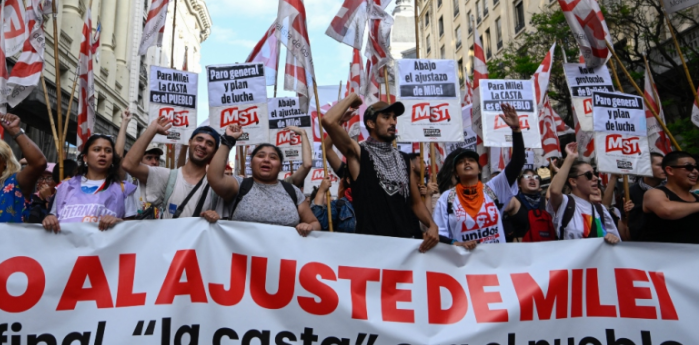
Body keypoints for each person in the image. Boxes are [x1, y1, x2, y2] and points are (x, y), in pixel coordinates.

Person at [321, 94, 439, 252]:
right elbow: (328, 121)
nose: (393, 122)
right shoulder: (359, 153)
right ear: (371, 123)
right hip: (374, 250)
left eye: (394, 118)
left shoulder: (404, 159)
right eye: (386, 117)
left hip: (406, 248)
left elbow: (415, 202)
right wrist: (352, 98)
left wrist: (432, 225)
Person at [432, 103, 524, 245]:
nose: (467, 163)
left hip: (496, 262)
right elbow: (438, 233)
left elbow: (517, 163)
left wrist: (516, 130)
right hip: (465, 263)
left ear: (479, 169)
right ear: (456, 172)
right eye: (461, 162)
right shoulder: (446, 199)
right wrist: (457, 243)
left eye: (471, 160)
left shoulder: (493, 189)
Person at [206, 124, 321, 236]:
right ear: (251, 163)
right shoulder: (240, 186)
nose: (266, 160)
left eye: (273, 157)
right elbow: (215, 178)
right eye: (260, 156)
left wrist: (309, 227)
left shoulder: (293, 191)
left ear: (280, 166)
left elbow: (314, 223)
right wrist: (228, 140)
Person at [122, 117, 221, 220]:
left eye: (209, 144)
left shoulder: (216, 187)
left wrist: (215, 218)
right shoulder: (167, 176)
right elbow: (128, 165)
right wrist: (152, 129)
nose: (203, 145)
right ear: (190, 142)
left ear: (214, 152)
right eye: (199, 140)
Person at [43, 135, 136, 232]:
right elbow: (53, 215)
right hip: (66, 245)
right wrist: (49, 218)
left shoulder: (123, 189)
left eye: (108, 151)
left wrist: (118, 222)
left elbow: (132, 227)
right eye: (97, 150)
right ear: (85, 158)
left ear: (112, 159)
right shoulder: (66, 186)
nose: (103, 154)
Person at [546, 142, 620, 244]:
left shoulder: (600, 209)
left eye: (595, 174)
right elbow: (554, 191)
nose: (595, 178)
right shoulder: (566, 203)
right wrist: (570, 157)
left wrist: (612, 238)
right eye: (588, 175)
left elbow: (617, 243)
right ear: (573, 181)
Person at [639, 151, 699, 244]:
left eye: (696, 167)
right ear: (670, 170)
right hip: (663, 256)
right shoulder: (654, 194)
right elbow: (667, 211)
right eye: (689, 167)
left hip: (696, 255)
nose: (695, 171)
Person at [503, 169, 556, 242]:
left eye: (536, 177)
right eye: (527, 176)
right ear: (519, 184)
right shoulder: (514, 201)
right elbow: (498, 208)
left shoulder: (545, 201)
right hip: (523, 250)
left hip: (545, 249)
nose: (532, 178)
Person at [622, 152, 666, 241]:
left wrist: (637, 208)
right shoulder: (630, 192)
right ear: (646, 167)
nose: (664, 169)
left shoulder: (670, 189)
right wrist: (630, 213)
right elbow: (628, 224)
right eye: (660, 165)